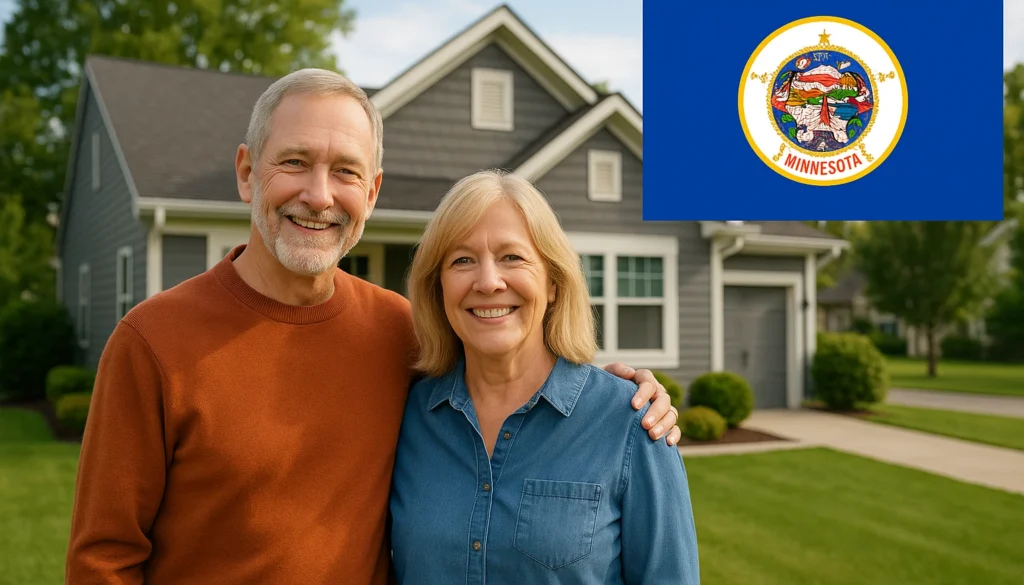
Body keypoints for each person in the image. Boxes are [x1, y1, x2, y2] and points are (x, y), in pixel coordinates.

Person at [65, 68, 682, 585]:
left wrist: (623, 392)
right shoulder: (153, 342)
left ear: (373, 190)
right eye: (295, 162)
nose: (318, 194)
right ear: (248, 172)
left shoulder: (399, 333)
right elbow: (104, 560)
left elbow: (512, 351)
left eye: (345, 172)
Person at [389, 169, 700, 584]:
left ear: (553, 282)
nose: (488, 281)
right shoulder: (405, 417)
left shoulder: (632, 424)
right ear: (438, 287)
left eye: (512, 257)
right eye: (462, 260)